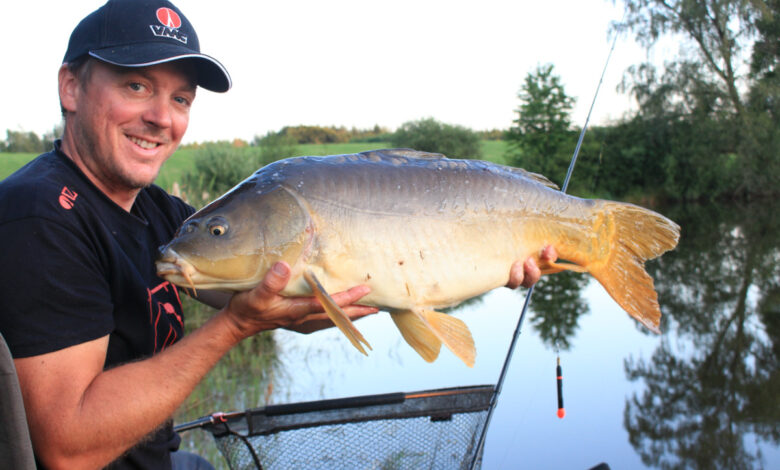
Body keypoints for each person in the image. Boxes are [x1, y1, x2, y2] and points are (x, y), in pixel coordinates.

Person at [0, 1, 556, 468]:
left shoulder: (153, 210)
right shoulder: (42, 215)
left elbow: (276, 294)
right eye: (137, 85)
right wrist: (233, 328)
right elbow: (66, 447)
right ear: (70, 87)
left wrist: (452, 264)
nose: (162, 118)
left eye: (180, 99)